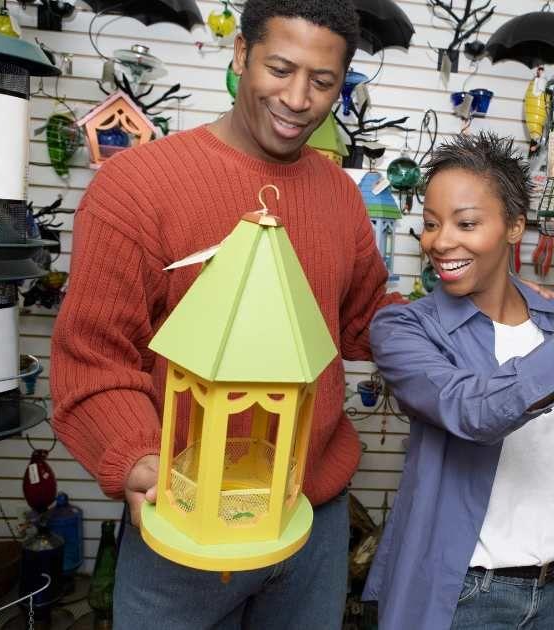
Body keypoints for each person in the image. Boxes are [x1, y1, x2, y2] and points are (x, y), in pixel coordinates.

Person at [49, 1, 401, 626]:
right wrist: (135, 455)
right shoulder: (135, 187)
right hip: (187, 526)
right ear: (241, 56)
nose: (298, 98)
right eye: (280, 69)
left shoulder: (340, 196)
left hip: (312, 521)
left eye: (322, 82)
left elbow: (365, 317)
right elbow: (94, 355)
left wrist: (478, 313)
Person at [362, 133, 554, 629]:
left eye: (466, 223)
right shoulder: (404, 328)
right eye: (430, 224)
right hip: (468, 596)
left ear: (515, 227)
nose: (440, 241)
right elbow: (471, 410)